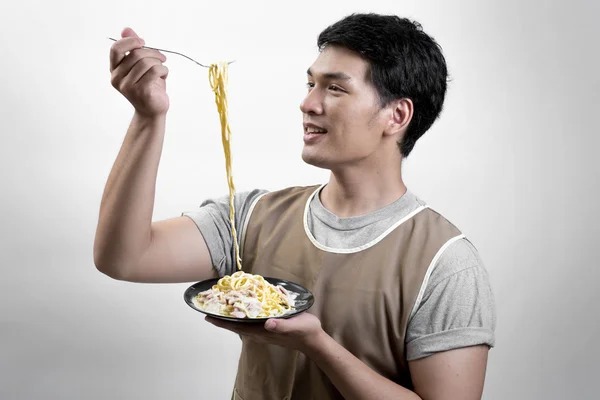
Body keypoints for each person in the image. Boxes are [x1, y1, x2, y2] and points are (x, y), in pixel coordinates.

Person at [95, 13, 496, 400]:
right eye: (310, 84)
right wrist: (148, 117)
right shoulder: (253, 217)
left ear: (397, 115)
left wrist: (317, 345)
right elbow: (124, 258)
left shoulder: (445, 264)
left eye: (335, 88)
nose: (308, 104)